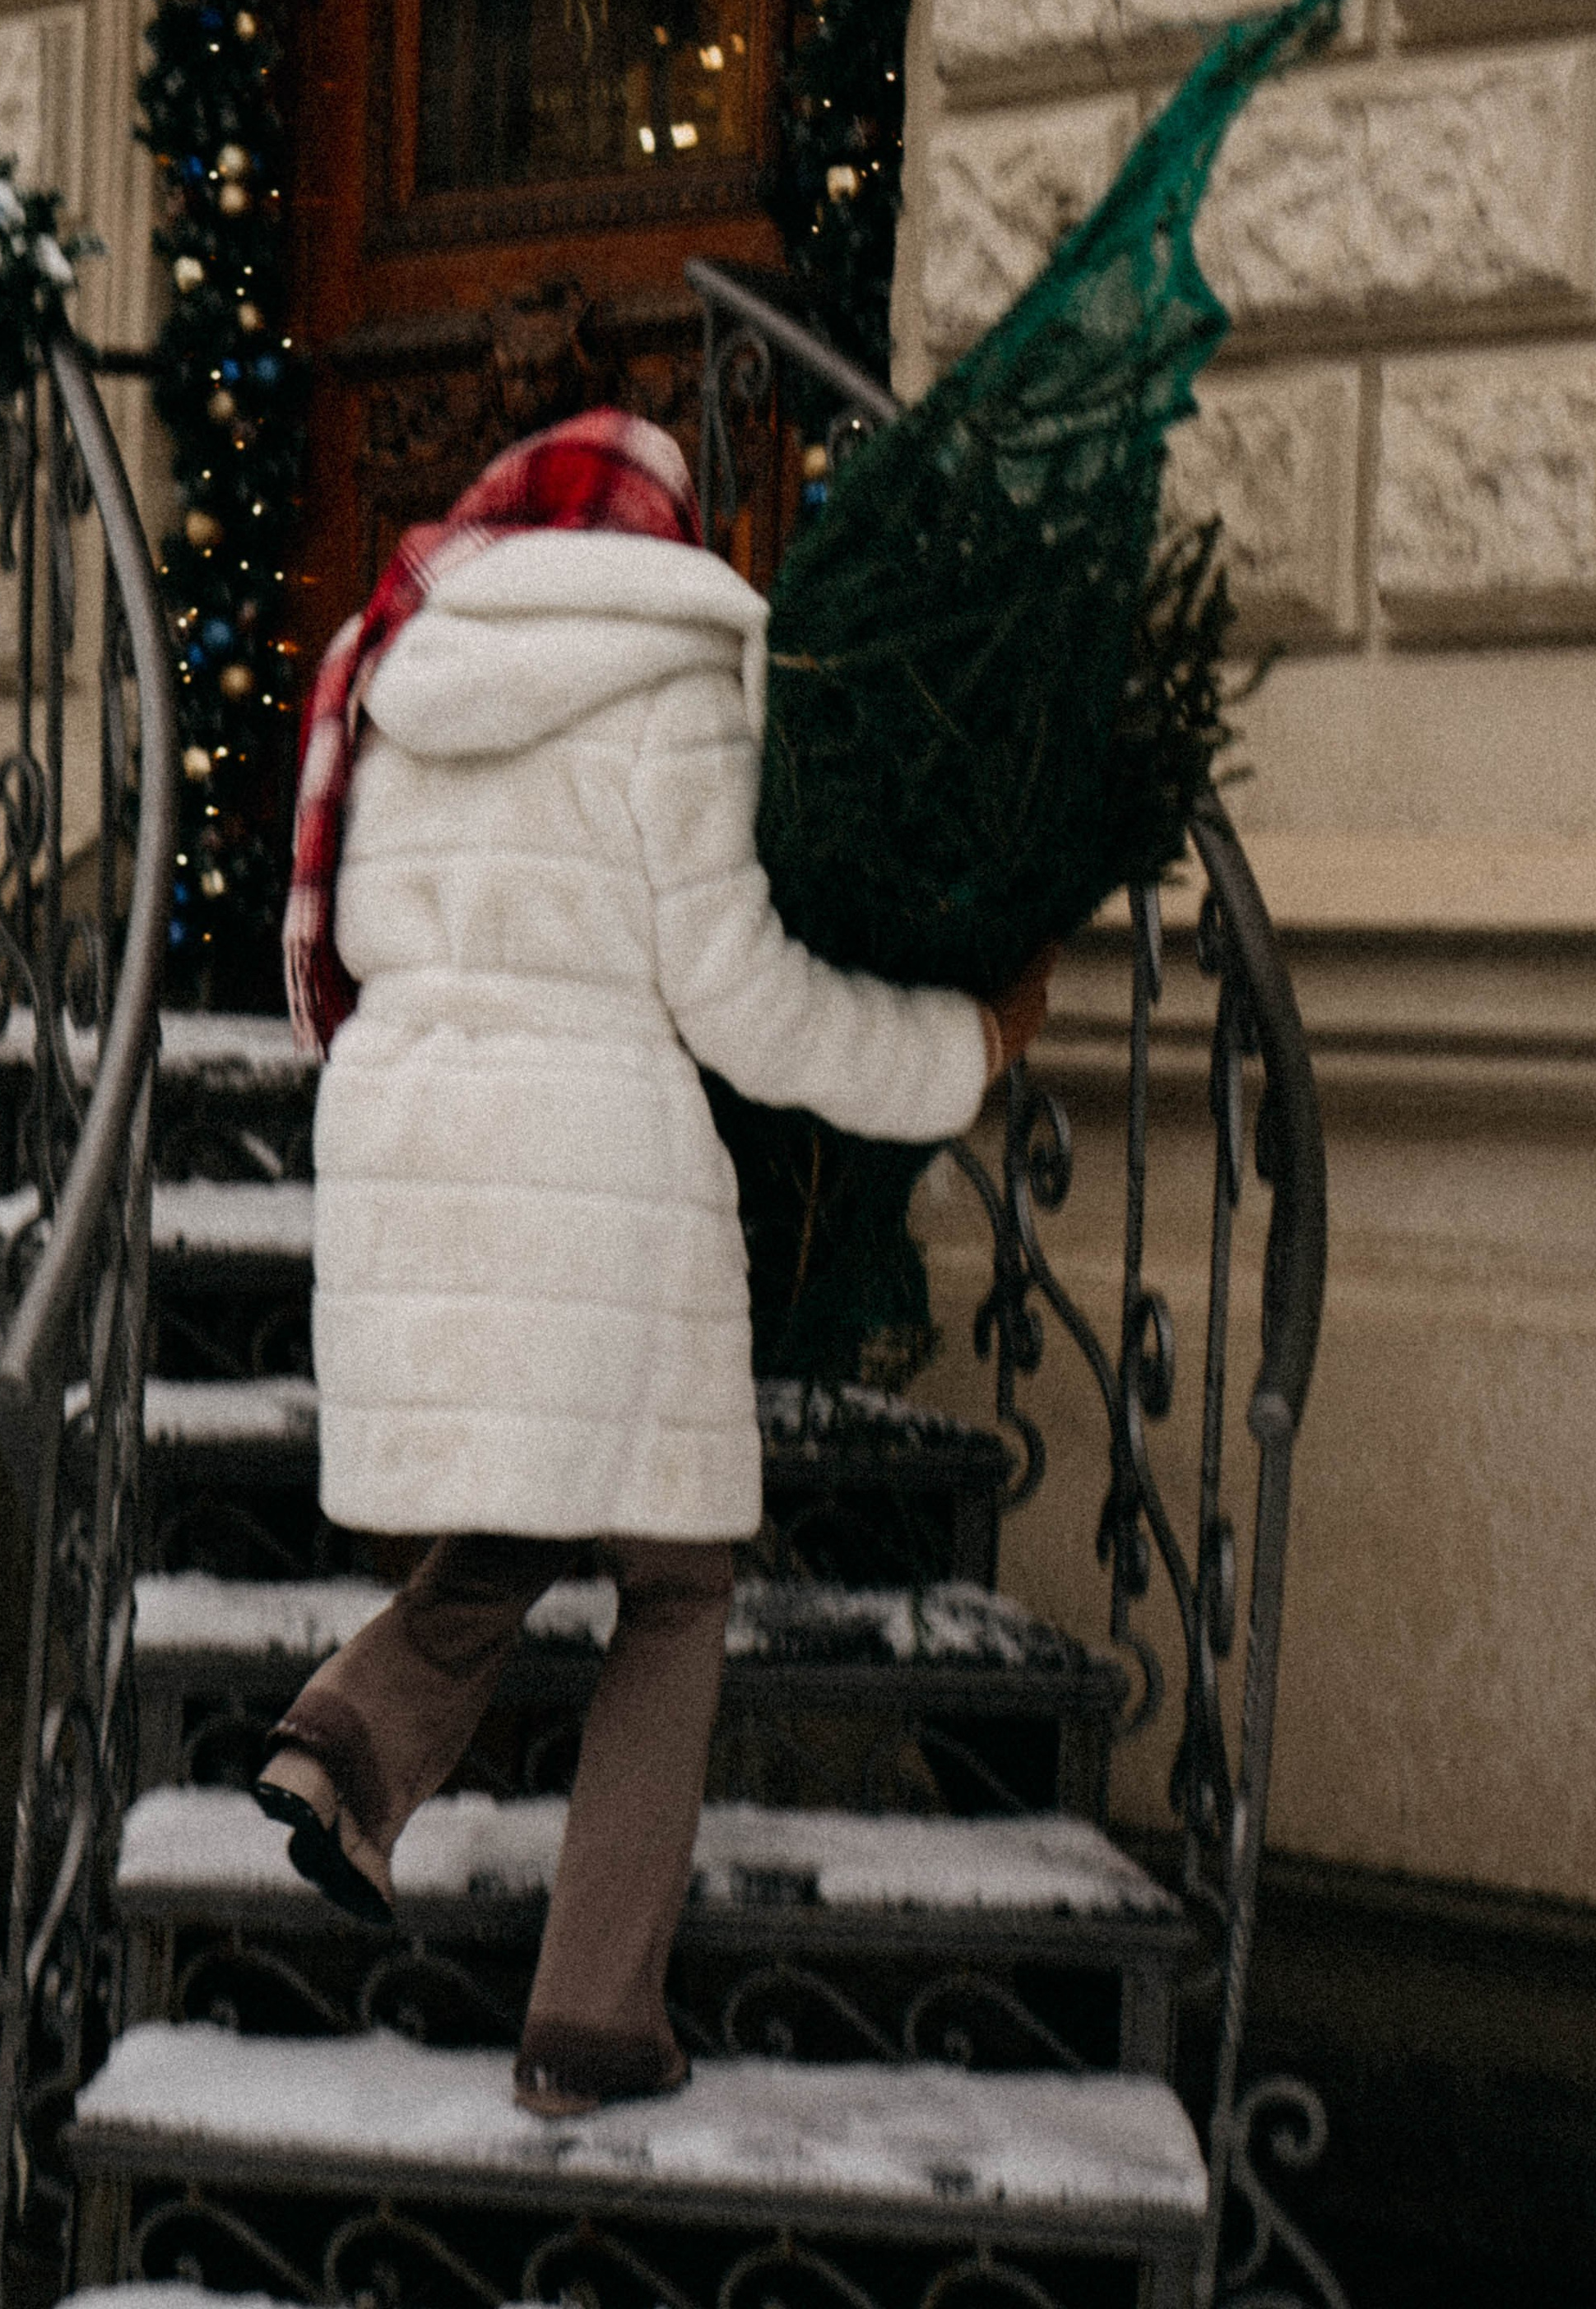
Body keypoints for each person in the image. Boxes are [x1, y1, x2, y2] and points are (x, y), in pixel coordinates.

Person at [260, 406, 1052, 2120]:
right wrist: (955, 1051)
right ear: (658, 536)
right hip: (594, 1154)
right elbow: (738, 997)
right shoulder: (676, 680)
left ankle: (348, 1743)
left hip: (409, 1140)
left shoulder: (392, 669)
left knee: (545, 1500)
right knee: (678, 1577)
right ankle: (592, 2020)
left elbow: (344, 936)